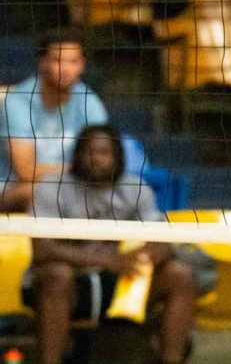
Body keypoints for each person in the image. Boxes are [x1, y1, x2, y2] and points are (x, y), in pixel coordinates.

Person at [28, 124, 194, 364]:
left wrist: (138, 258)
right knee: (57, 274)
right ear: (77, 155)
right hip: (72, 281)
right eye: (89, 152)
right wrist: (106, 259)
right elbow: (42, 249)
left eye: (104, 152)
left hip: (122, 283)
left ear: (117, 157)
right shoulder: (52, 188)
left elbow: (164, 243)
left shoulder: (135, 188)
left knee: (180, 274)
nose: (96, 159)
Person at [0, 29, 107, 212]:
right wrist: (79, 170)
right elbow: (26, 172)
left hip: (70, 186)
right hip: (12, 188)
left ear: (82, 65)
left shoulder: (90, 101)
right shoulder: (17, 101)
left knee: (125, 191)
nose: (65, 68)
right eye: (58, 60)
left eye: (73, 61)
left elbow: (102, 159)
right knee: (43, 192)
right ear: (42, 62)